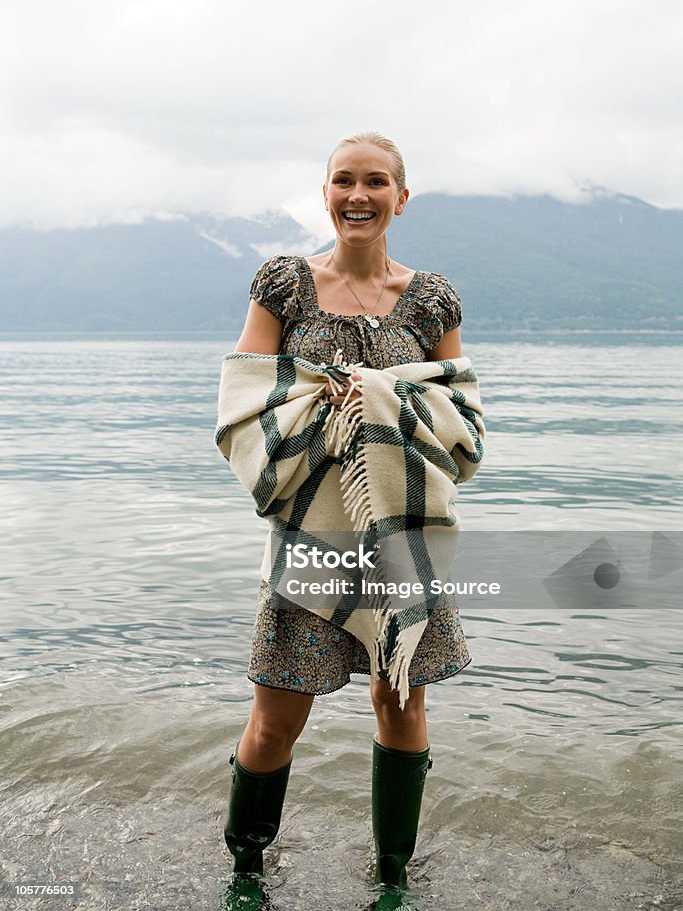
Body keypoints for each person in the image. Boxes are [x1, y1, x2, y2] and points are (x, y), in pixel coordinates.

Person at [221, 131, 477, 911]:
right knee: (276, 711)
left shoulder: (431, 300)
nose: (357, 195)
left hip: (400, 537)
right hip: (311, 537)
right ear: (324, 193)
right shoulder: (285, 287)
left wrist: (383, 399)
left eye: (374, 182)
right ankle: (245, 870)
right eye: (342, 181)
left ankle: (393, 875)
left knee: (399, 699)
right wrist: (320, 402)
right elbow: (243, 407)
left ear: (401, 197)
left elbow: (461, 422)